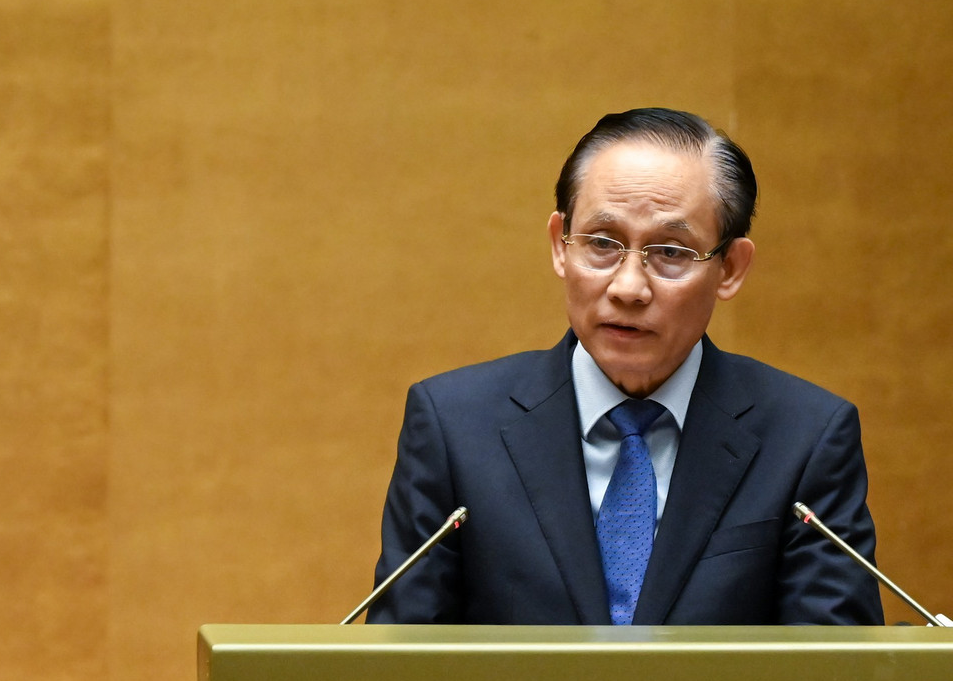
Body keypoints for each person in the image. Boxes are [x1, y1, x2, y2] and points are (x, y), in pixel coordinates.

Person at [368, 108, 881, 625]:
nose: (628, 287)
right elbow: (401, 663)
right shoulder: (454, 427)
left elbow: (835, 667)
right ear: (560, 245)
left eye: (671, 252)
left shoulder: (806, 438)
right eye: (601, 243)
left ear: (730, 268)